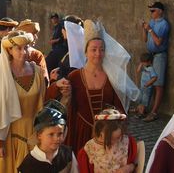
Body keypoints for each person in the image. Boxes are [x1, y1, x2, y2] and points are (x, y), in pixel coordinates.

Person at [47, 20, 139, 154]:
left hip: (106, 136)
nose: (98, 53)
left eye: (101, 49)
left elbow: (119, 107)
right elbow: (53, 100)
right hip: (80, 134)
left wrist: (116, 125)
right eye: (93, 49)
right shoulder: (75, 76)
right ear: (85, 52)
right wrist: (58, 87)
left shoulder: (110, 77)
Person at [0, 30, 46, 173]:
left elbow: (43, 101)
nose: (24, 51)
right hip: (9, 135)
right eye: (19, 48)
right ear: (9, 50)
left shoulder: (37, 71)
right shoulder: (3, 73)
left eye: (26, 47)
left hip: (32, 135)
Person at [18, 100, 79, 173]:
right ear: (39, 135)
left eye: (60, 133)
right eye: (51, 134)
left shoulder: (68, 155)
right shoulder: (28, 165)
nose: (57, 138)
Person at [77, 109, 137, 173]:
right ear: (100, 133)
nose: (115, 142)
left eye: (118, 137)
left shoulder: (127, 142)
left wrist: (129, 168)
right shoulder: (89, 149)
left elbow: (135, 164)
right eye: (110, 139)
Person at [141, 1, 170, 122]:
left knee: (158, 84)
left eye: (153, 11)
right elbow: (144, 40)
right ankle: (143, 107)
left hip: (159, 56)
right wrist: (144, 29)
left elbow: (158, 42)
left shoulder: (164, 24)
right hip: (150, 56)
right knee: (147, 82)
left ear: (160, 11)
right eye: (150, 11)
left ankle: (154, 112)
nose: (151, 13)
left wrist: (150, 30)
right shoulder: (152, 22)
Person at [49, 15, 84, 84]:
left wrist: (57, 77)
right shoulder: (76, 49)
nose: (62, 31)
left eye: (63, 28)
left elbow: (76, 80)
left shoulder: (76, 52)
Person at [16, 19, 48, 83]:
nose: (36, 37)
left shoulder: (37, 54)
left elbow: (44, 79)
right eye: (33, 34)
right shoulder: (36, 54)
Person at [135, 53, 158, 118]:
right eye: (142, 62)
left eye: (144, 62)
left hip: (148, 88)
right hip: (142, 87)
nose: (143, 64)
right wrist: (141, 64)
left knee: (145, 100)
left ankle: (141, 113)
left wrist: (148, 83)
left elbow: (155, 77)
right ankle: (139, 110)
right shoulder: (145, 67)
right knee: (141, 99)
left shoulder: (151, 69)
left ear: (149, 62)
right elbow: (138, 71)